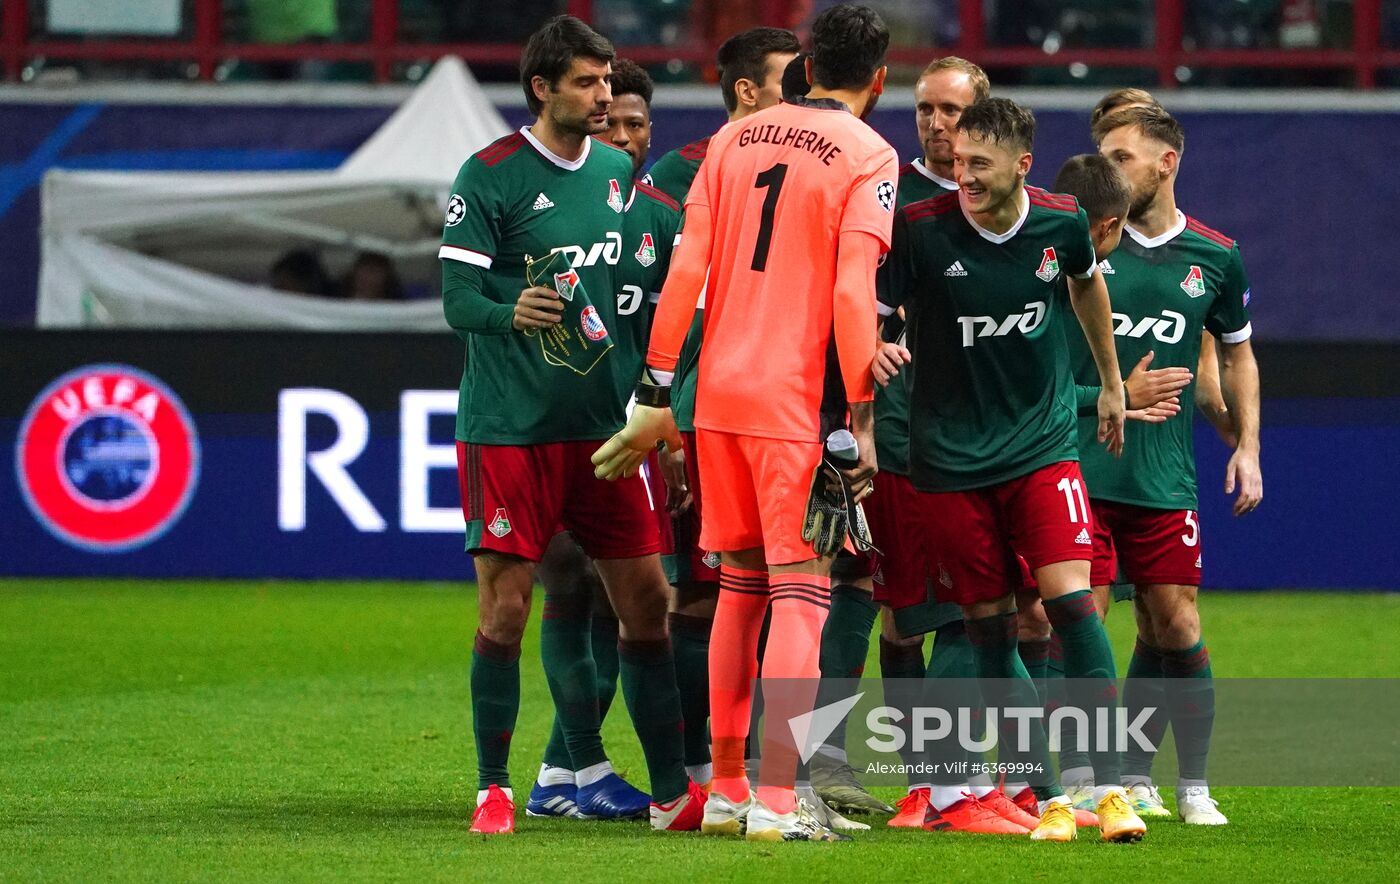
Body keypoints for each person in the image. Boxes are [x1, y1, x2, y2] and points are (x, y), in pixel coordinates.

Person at [594, 4, 898, 842]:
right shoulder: (871, 154)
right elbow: (849, 291)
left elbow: (686, 270)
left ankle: (726, 790)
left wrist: (657, 392)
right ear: (878, 77)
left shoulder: (733, 140)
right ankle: (775, 798)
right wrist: (858, 414)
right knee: (803, 593)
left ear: (804, 63)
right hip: (794, 399)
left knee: (737, 588)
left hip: (716, 397)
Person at [440, 15, 702, 835]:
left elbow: (641, 292)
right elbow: (455, 303)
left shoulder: (621, 177)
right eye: (587, 84)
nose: (603, 96)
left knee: (648, 603)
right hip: (510, 431)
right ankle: (493, 787)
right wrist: (509, 309)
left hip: (606, 437)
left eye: (608, 81)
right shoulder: (488, 177)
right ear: (542, 88)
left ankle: (671, 797)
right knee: (506, 612)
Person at [877, 96, 1147, 842]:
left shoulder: (1061, 222)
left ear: (1022, 166)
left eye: (980, 165)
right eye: (958, 162)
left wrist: (1113, 385)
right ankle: (1049, 795)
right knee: (989, 631)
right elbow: (868, 303)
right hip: (949, 461)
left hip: (1040, 448)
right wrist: (869, 348)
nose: (962, 174)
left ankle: (1111, 787)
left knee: (1071, 602)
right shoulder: (922, 231)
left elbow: (1087, 283)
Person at [637, 26, 803, 796]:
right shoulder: (677, 176)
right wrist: (666, 407)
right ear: (746, 90)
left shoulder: (807, 157)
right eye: (786, 79)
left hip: (777, 404)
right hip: (707, 410)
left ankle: (772, 773)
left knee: (789, 587)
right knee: (709, 588)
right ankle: (704, 769)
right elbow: (666, 299)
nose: (800, 92)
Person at [1086, 106, 1262, 825]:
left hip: (1163, 476)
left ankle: (1186, 785)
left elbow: (1240, 349)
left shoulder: (1216, 256)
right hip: (1082, 468)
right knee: (1083, 625)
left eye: (1121, 158)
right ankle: (1091, 783)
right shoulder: (1082, 243)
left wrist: (1247, 445)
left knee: (1172, 623)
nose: (1108, 172)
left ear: (1167, 163)